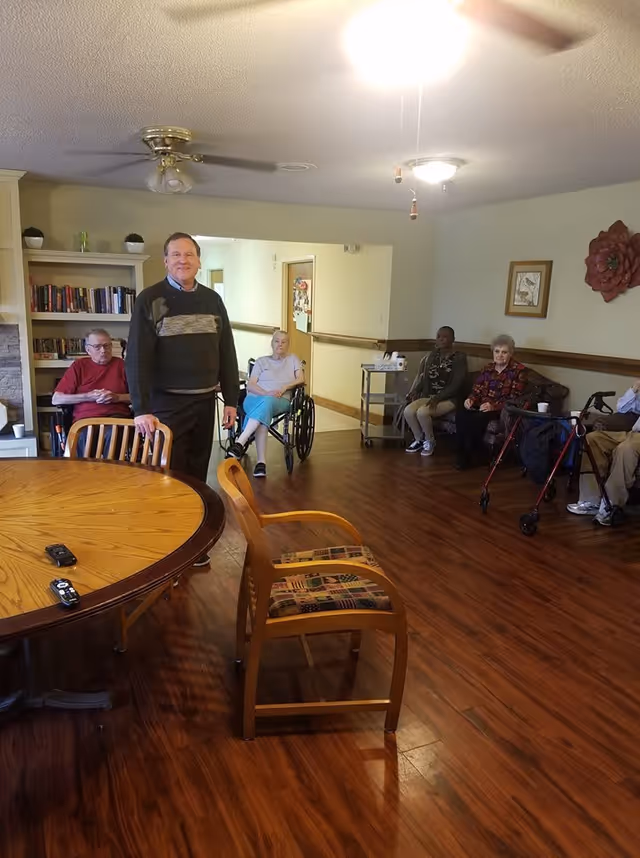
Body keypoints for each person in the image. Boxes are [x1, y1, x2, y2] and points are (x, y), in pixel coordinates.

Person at [125, 232, 240, 566]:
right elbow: (137, 358)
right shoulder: (151, 299)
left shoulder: (213, 300)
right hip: (165, 406)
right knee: (169, 476)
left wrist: (231, 399)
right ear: (165, 261)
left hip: (205, 401)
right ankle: (169, 543)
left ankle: (193, 544)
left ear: (199, 260)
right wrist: (141, 408)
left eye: (189, 254)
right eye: (175, 255)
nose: (182, 260)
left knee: (197, 473)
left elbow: (226, 351)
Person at [226, 330, 304, 478]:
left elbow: (301, 379)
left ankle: (240, 442)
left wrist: (285, 387)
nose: (280, 344)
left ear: (288, 344)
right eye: (277, 341)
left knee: (266, 405)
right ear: (272, 343)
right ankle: (261, 463)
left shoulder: (293, 359)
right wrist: (265, 393)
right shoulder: (261, 361)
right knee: (264, 409)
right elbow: (250, 385)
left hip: (281, 400)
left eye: (284, 342)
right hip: (255, 398)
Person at [567, 381, 640, 525]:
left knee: (625, 449)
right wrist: (634, 389)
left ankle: (611, 505)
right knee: (593, 439)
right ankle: (591, 500)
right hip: (633, 432)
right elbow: (622, 408)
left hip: (636, 437)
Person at [52, 328, 130, 455]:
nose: (103, 350)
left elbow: (139, 397)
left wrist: (117, 397)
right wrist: (88, 396)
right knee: (85, 436)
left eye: (106, 346)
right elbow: (56, 399)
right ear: (88, 350)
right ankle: (87, 472)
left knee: (113, 433)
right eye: (97, 347)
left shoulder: (122, 365)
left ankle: (112, 472)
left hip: (116, 418)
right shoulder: (79, 366)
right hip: (86, 420)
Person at [455, 334, 528, 470]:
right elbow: (477, 390)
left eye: (504, 352)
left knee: (477, 419)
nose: (500, 355)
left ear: (511, 353)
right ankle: (463, 455)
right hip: (481, 406)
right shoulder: (487, 369)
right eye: (497, 351)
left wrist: (493, 406)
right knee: (461, 415)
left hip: (499, 410)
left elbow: (515, 398)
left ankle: (474, 456)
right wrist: (470, 399)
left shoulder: (519, 371)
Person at [404, 326, 467, 457]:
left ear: (453, 339)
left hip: (449, 399)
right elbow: (425, 377)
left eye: (445, 337)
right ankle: (419, 439)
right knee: (408, 411)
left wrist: (438, 398)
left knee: (422, 412)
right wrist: (416, 390)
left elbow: (457, 384)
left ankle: (430, 441)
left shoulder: (459, 358)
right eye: (438, 336)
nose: (441, 339)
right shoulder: (432, 355)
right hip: (430, 396)